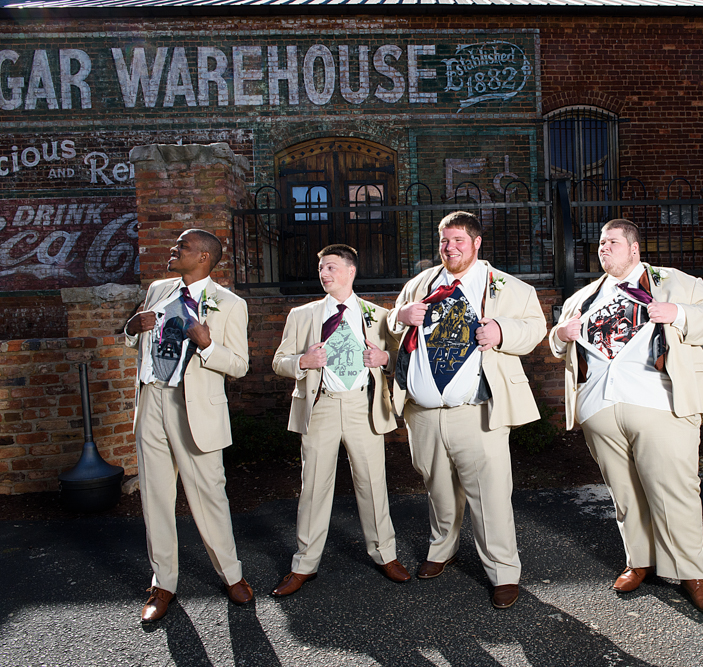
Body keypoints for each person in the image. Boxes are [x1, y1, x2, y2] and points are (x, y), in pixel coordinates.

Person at [549, 219, 703, 615]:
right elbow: (559, 344)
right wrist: (559, 336)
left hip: (659, 401)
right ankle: (639, 561)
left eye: (612, 242)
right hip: (600, 406)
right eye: (600, 243)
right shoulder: (583, 298)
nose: (603, 248)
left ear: (635, 248)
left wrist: (675, 312)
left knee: (675, 491)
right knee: (625, 494)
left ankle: (692, 574)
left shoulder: (677, 282)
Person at [387, 211, 546, 609]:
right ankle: (442, 549)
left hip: (476, 412)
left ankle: (503, 572)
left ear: (476, 243)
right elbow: (391, 325)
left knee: (489, 495)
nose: (449, 247)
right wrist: (399, 316)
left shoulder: (508, 288)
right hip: (422, 412)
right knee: (438, 489)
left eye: (458, 240)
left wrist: (502, 331)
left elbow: (535, 328)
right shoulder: (420, 285)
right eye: (444, 240)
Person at [124, 228, 253, 623]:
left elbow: (240, 365)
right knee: (156, 497)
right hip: (151, 400)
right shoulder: (158, 290)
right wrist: (132, 328)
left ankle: (231, 576)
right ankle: (163, 583)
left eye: (182, 247)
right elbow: (136, 339)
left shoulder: (229, 304)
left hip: (193, 408)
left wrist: (208, 345)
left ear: (203, 258)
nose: (173, 249)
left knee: (209, 495)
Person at [270, 244, 410, 596]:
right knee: (314, 486)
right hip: (322, 407)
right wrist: (301, 362)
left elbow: (400, 359)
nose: (324, 273)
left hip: (363, 406)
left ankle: (385, 555)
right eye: (321, 268)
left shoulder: (377, 315)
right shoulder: (303, 316)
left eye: (331, 267)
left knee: (372, 484)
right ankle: (304, 564)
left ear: (351, 271)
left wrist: (385, 358)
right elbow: (279, 361)